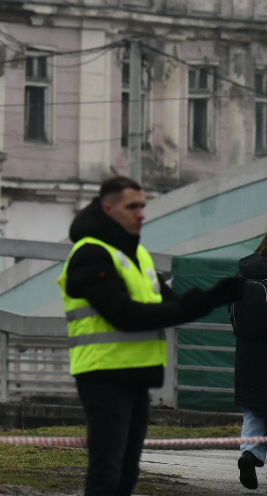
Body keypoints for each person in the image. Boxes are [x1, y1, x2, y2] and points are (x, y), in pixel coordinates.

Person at [59, 175, 243, 496]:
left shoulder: (138, 256)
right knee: (106, 475)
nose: (141, 213)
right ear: (107, 208)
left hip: (136, 378)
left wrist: (212, 297)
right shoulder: (91, 253)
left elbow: (171, 307)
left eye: (143, 206)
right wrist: (206, 299)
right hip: (103, 376)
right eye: (132, 206)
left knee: (127, 475)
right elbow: (126, 316)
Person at [232, 234, 267, 489]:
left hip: (247, 357)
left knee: (253, 409)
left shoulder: (243, 276)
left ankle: (250, 453)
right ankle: (252, 455)